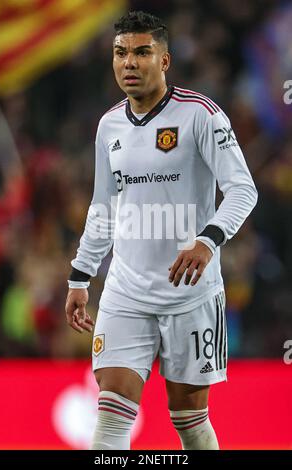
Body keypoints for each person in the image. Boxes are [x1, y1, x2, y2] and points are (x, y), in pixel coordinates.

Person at [65, 11, 258, 450]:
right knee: (112, 417)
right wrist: (81, 275)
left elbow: (243, 190)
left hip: (190, 294)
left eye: (141, 52)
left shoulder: (202, 116)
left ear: (165, 60)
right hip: (125, 291)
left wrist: (207, 242)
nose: (128, 63)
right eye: (120, 53)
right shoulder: (108, 125)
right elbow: (102, 208)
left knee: (189, 421)